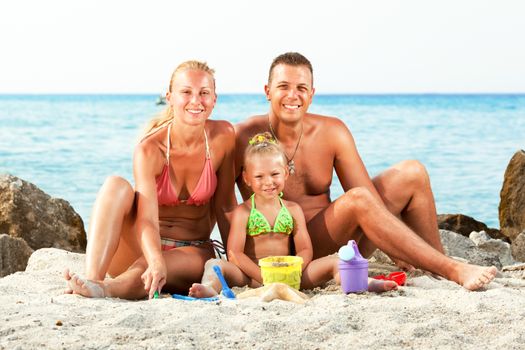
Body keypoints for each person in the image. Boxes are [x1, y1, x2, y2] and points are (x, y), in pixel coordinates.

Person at [234, 52, 497, 291]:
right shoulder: (243, 136)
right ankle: (454, 270)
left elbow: (369, 198)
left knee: (412, 172)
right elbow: (224, 207)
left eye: (301, 88)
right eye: (284, 87)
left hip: (332, 238)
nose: (293, 95)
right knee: (357, 199)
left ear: (312, 93)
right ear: (268, 91)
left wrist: (394, 239)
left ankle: (437, 263)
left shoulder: (332, 131)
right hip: (279, 249)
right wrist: (242, 263)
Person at [64, 60, 237, 299]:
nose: (196, 100)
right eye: (186, 92)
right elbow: (146, 219)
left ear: (214, 99)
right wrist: (155, 259)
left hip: (192, 251)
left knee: (151, 266)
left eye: (204, 93)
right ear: (170, 97)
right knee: (115, 185)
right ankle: (93, 278)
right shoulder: (149, 149)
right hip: (140, 244)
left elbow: (226, 205)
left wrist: (236, 259)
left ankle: (104, 290)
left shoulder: (223, 136)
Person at [188, 132, 398, 298]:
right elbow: (234, 253)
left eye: (275, 174)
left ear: (286, 173)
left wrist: (294, 268)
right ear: (247, 179)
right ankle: (209, 288)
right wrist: (261, 275)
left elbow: (305, 247)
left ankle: (366, 283)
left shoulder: (292, 209)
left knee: (335, 261)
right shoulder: (244, 212)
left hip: (291, 274)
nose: (268, 182)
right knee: (214, 264)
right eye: (259, 176)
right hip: (252, 277)